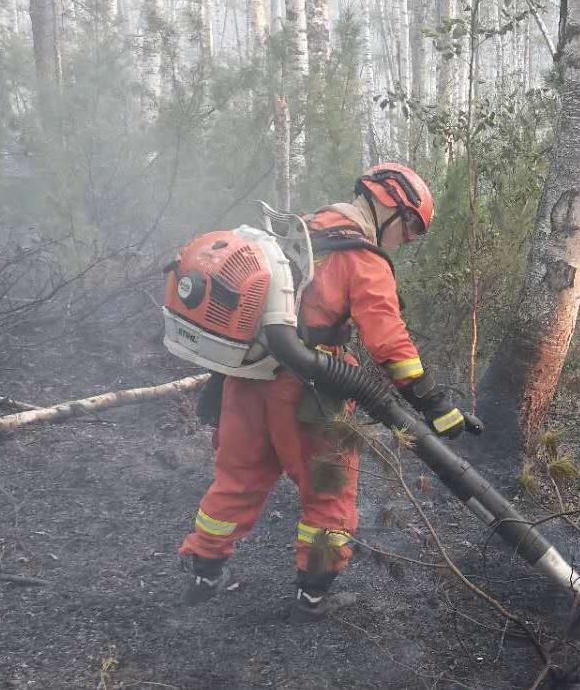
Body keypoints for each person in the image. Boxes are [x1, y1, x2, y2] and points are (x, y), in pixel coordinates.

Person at [177, 163, 474, 622]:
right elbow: (390, 344)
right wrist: (434, 404)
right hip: (310, 394)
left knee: (238, 478)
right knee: (328, 493)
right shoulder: (361, 258)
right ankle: (313, 595)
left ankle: (204, 572)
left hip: (246, 380)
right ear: (389, 206)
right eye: (412, 227)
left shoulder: (293, 232)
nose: (409, 240)